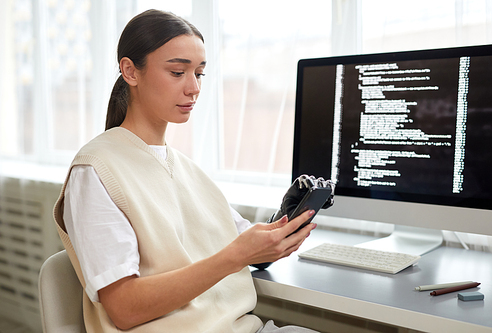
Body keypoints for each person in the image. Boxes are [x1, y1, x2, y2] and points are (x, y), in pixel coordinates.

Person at [53, 9, 333, 333]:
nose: (194, 88)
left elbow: (245, 249)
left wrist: (285, 223)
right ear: (130, 71)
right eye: (177, 72)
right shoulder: (95, 171)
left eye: (199, 73)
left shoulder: (186, 170)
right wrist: (233, 257)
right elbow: (124, 308)